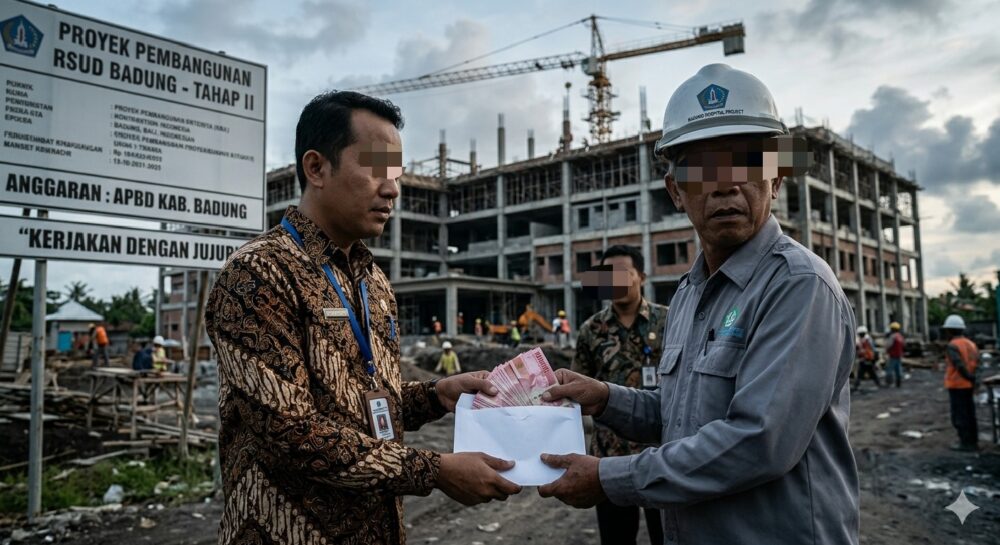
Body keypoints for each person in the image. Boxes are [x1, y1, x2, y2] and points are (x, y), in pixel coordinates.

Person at [536, 64, 860, 544]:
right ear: (675, 192)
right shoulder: (689, 292)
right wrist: (605, 398)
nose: (725, 185)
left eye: (746, 164)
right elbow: (681, 415)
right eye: (701, 170)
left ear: (775, 180)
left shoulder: (799, 284)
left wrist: (608, 477)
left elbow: (759, 441)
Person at [205, 91, 520, 545]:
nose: (392, 189)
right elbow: (291, 431)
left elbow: (365, 402)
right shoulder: (258, 273)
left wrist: (436, 395)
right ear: (316, 168)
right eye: (375, 168)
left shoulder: (372, 280)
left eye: (396, 174)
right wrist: (435, 470)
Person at [572, 245, 666, 545]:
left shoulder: (670, 322)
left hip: (660, 454)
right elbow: (578, 392)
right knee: (616, 537)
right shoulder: (591, 330)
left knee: (667, 535)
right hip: (608, 458)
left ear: (642, 276)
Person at [940, 314, 979, 452]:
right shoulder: (971, 344)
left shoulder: (953, 345)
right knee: (970, 414)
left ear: (950, 330)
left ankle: (965, 443)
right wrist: (974, 379)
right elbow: (976, 364)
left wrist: (967, 377)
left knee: (960, 415)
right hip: (968, 385)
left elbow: (959, 365)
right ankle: (973, 441)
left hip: (958, 385)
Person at [853, 326, 882, 391]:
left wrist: (872, 359)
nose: (860, 335)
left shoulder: (868, 340)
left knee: (869, 373)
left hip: (868, 359)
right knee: (865, 373)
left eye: (861, 334)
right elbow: (858, 349)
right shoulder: (861, 340)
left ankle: (856, 386)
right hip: (864, 359)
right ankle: (878, 383)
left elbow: (871, 350)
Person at [885, 322, 905, 388]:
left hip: (893, 356)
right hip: (899, 355)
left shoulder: (892, 336)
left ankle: (889, 383)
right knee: (898, 370)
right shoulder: (900, 336)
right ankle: (898, 383)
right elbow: (903, 345)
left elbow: (888, 345)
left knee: (889, 370)